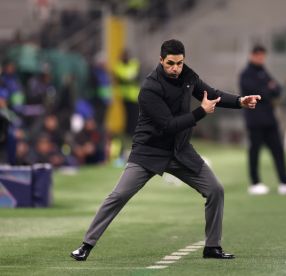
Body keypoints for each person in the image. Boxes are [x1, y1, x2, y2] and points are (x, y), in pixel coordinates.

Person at [70, 39, 262, 261]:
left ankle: (212, 247)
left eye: (179, 63)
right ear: (161, 60)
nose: (175, 68)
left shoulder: (188, 76)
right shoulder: (150, 88)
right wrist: (200, 112)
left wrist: (240, 101)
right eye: (170, 63)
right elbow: (169, 125)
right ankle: (86, 245)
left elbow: (212, 93)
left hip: (179, 150)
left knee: (215, 190)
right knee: (118, 195)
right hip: (149, 151)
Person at [239, 45, 286, 195]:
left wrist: (268, 89)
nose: (260, 58)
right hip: (254, 120)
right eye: (258, 55)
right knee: (254, 152)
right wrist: (268, 89)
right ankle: (255, 183)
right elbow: (259, 92)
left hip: (270, 119)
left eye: (262, 55)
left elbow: (278, 90)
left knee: (278, 151)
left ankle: (285, 182)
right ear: (251, 55)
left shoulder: (263, 72)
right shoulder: (246, 74)